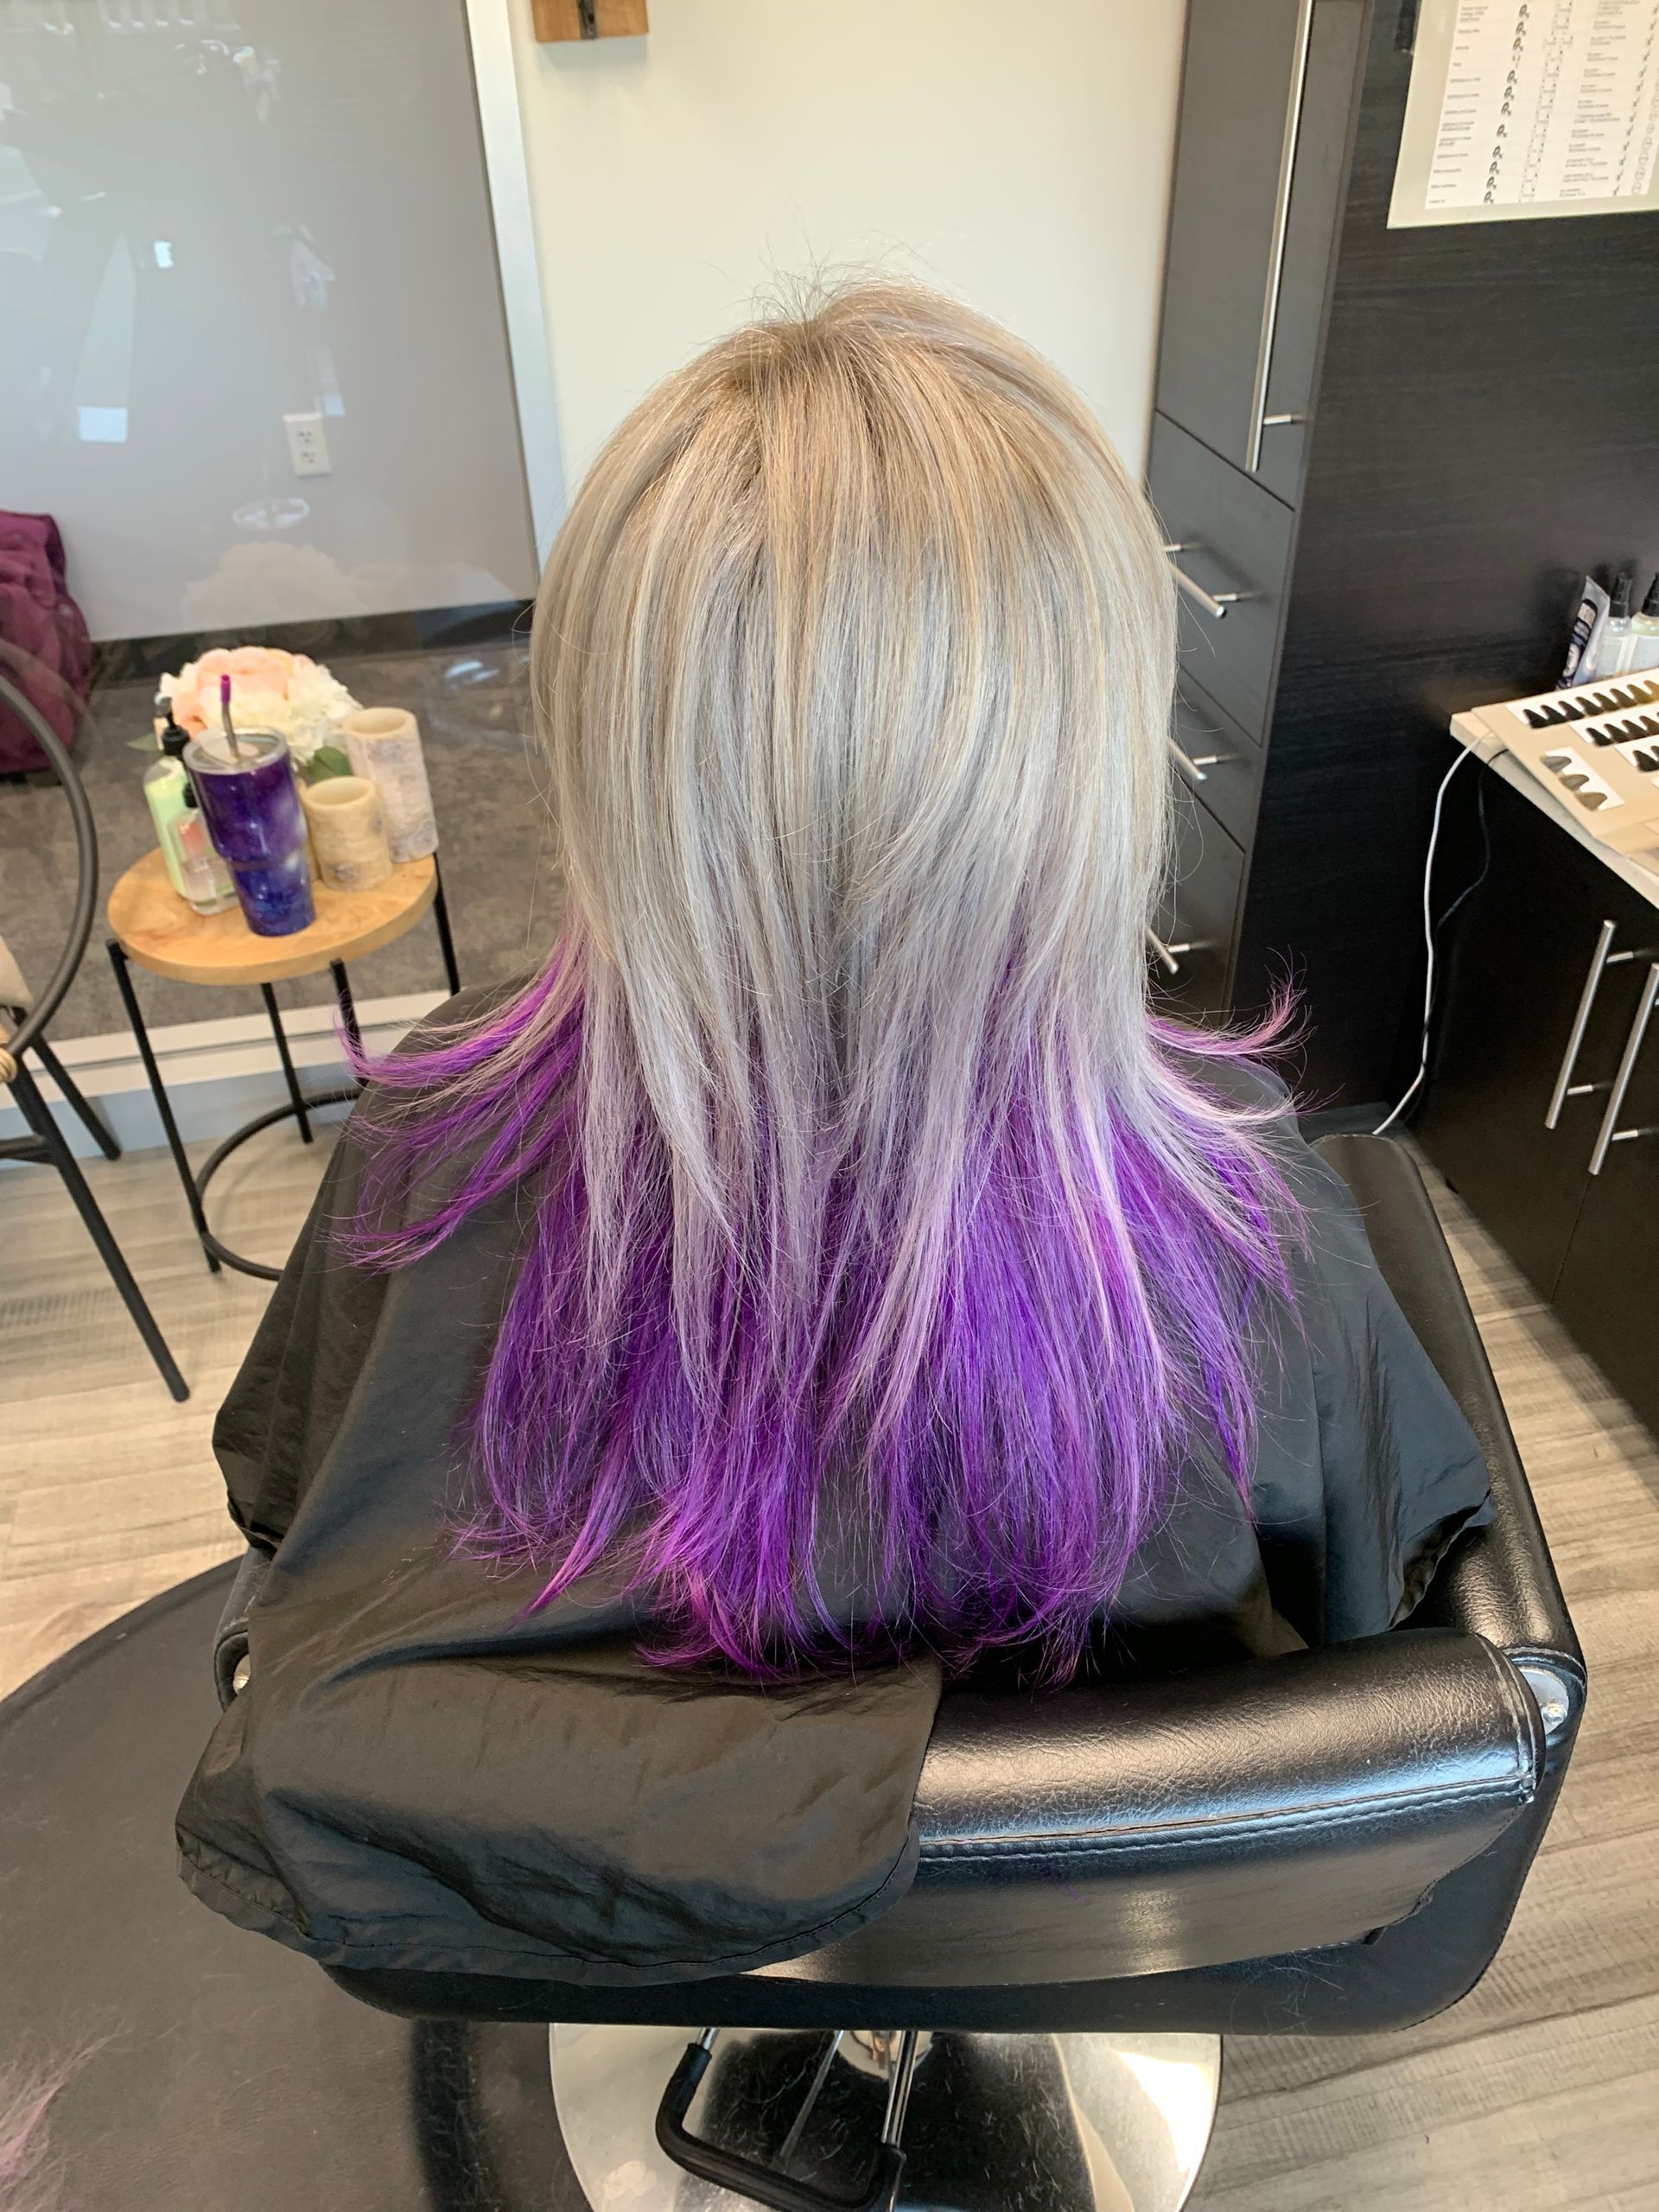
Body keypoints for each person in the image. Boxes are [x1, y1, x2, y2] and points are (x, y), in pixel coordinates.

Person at [177, 283, 1491, 1986]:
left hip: (605, 1941)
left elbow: (294, 1557)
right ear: (1085, 763)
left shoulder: (428, 1143)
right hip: (1093, 1940)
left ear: (611, 745)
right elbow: (1383, 1652)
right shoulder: (1258, 1222)